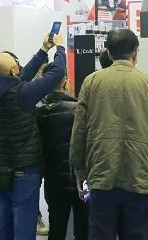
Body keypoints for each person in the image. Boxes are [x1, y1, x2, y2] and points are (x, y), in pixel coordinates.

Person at [71, 28, 148, 239]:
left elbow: (79, 130)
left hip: (101, 172)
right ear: (135, 52)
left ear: (108, 52)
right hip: (140, 173)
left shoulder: (91, 82)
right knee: (138, 232)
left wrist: (79, 171)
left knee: (100, 233)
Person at [0, 32, 66, 239]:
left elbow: (23, 77)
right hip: (24, 170)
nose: (19, 67)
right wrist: (60, 48)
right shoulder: (23, 94)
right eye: (16, 65)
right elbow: (57, 73)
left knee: (3, 224)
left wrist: (43, 50)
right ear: (13, 71)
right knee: (23, 227)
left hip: (2, 169)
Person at [37, 64, 87, 240]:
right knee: (83, 228)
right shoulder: (79, 109)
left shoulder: (39, 113)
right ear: (66, 82)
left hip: (53, 180)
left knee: (57, 227)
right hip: (80, 179)